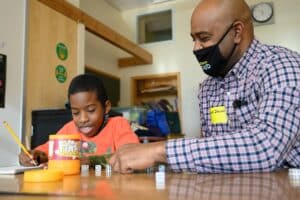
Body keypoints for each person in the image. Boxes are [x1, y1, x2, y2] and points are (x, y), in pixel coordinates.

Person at [109, 0, 300, 173]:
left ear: (237, 32)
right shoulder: (208, 88)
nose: (196, 48)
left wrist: (159, 151)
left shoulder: (281, 66)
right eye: (194, 39)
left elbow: (265, 147)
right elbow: (212, 151)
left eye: (204, 38)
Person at [19, 74, 139, 166]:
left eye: (91, 110)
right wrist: (33, 156)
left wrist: (90, 161)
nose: (82, 119)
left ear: (106, 107)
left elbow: (132, 155)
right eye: (75, 112)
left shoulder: (118, 125)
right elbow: (46, 153)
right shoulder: (69, 129)